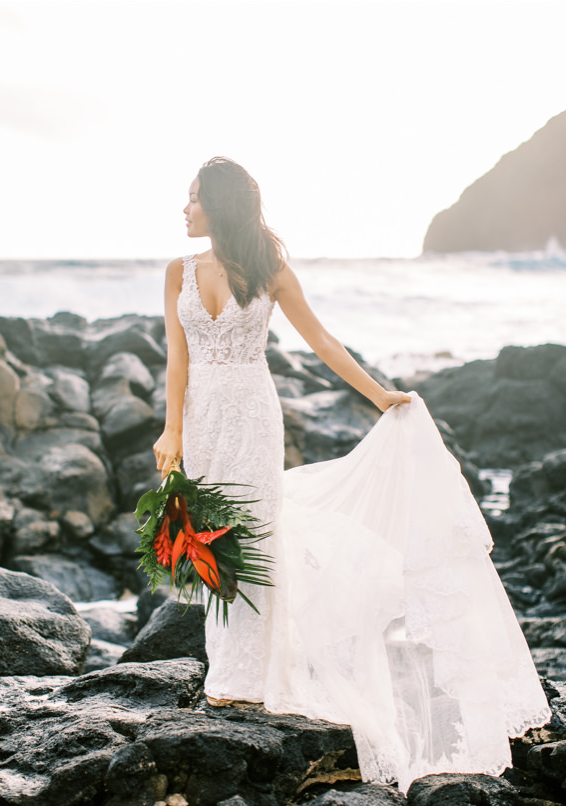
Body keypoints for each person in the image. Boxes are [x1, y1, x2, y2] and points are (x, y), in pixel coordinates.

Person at [152, 157, 549, 790]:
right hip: (202, 419)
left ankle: (257, 676)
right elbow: (178, 358)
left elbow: (324, 343)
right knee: (208, 535)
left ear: (219, 204)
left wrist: (382, 396)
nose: (185, 208)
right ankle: (228, 671)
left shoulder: (270, 269)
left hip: (254, 417)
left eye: (194, 198)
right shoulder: (176, 270)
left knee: (253, 533)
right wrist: (171, 429)